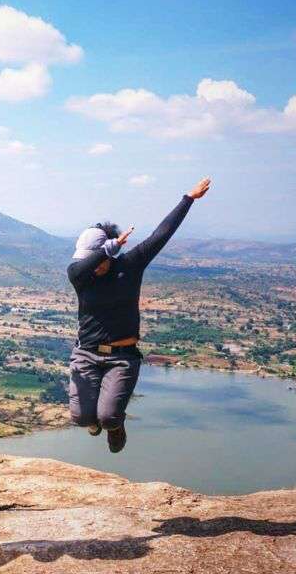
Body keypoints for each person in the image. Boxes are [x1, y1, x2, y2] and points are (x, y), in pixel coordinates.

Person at [67, 177, 211, 453]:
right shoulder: (80, 276)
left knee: (108, 416)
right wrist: (106, 250)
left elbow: (160, 235)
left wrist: (188, 199)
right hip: (85, 354)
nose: (91, 265)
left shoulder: (129, 266)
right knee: (82, 418)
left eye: (95, 259)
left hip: (122, 357)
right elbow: (80, 267)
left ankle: (115, 425)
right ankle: (94, 422)